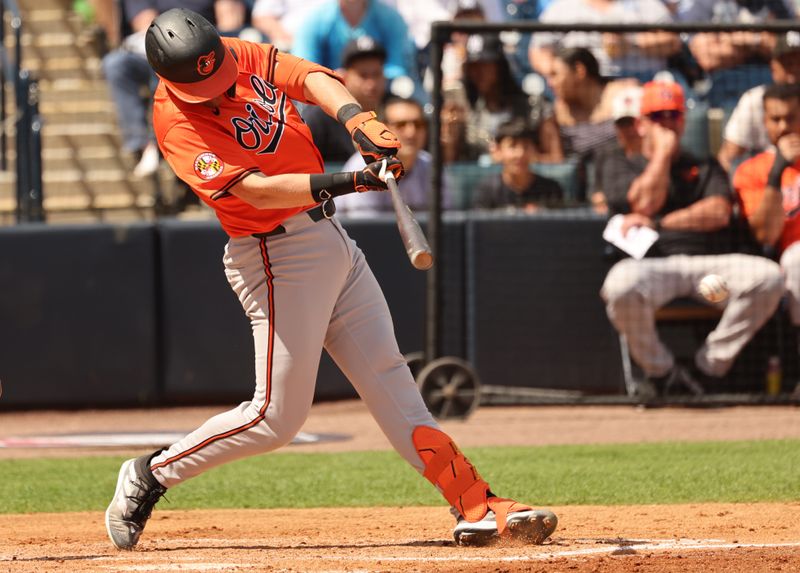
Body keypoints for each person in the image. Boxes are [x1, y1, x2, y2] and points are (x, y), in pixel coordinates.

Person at [104, 7, 558, 551]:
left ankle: (475, 502)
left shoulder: (226, 52)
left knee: (391, 377)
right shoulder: (174, 121)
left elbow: (306, 75)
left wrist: (355, 117)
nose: (219, 80)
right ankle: (150, 474)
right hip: (275, 255)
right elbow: (255, 192)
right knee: (276, 417)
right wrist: (349, 179)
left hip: (330, 239)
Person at [599, 80, 784, 396]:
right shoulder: (620, 162)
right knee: (619, 287)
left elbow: (718, 213)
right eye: (658, 116)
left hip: (709, 274)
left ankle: (708, 367)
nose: (668, 123)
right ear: (642, 123)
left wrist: (657, 222)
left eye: (674, 115)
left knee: (768, 277)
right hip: (656, 269)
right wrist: (662, 157)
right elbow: (640, 203)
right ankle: (663, 372)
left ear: (684, 119)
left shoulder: (704, 164)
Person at [101, 0, 246, 178]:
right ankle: (144, 145)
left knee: (168, 75)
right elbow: (146, 25)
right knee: (116, 64)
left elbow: (230, 20)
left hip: (208, 50)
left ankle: (163, 145)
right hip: (160, 50)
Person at [734, 83, 800, 331]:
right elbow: (765, 235)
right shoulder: (751, 171)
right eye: (776, 119)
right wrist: (778, 170)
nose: (783, 126)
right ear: (765, 122)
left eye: (791, 118)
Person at [337, 97, 449, 215]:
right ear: (383, 129)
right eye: (401, 125)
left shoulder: (431, 165)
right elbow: (365, 228)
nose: (411, 132)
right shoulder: (363, 165)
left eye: (418, 124)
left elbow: (447, 219)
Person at [680, 0, 794, 112]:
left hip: (767, 84)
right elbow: (707, 59)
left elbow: (779, 46)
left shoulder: (777, 3)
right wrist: (757, 40)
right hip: (723, 88)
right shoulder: (704, 3)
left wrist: (725, 38)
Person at [528, 0, 681, 82]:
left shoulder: (647, 4)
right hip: (586, 92)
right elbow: (539, 52)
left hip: (645, 85)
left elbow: (673, 42)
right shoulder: (562, 8)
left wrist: (631, 43)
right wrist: (566, 74)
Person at [460, 33, 556, 163]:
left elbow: (556, 161)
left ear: (499, 66)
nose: (478, 72)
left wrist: (517, 159)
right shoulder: (467, 115)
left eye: (485, 64)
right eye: (473, 66)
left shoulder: (535, 108)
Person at [717, 32, 800, 173]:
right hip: (761, 184)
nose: (794, 72)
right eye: (788, 64)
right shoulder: (754, 100)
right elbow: (726, 158)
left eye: (799, 64)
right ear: (773, 67)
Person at [303, 35, 388, 164]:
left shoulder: (395, 109)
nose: (371, 84)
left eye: (376, 74)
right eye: (363, 75)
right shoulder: (322, 114)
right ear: (344, 76)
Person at [291, 0, 416, 82]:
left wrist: (369, 80)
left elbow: (398, 68)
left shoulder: (391, 19)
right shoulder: (314, 21)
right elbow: (304, 71)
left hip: (381, 99)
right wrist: (340, 81)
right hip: (328, 102)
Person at [473, 118, 564, 211]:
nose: (520, 154)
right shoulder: (487, 190)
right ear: (499, 150)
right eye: (513, 146)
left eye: (526, 146)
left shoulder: (551, 190)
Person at [592, 85, 643, 214]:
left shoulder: (659, 155)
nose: (630, 130)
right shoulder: (606, 153)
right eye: (623, 123)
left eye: (634, 122)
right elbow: (597, 193)